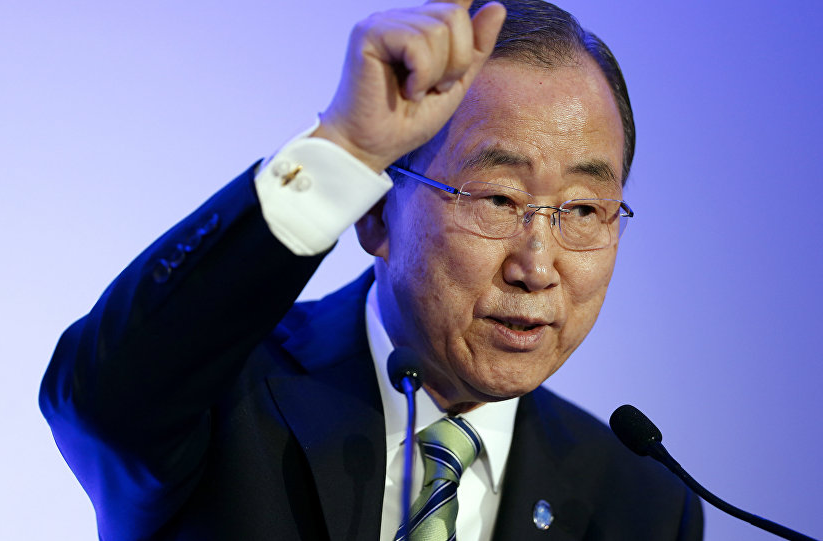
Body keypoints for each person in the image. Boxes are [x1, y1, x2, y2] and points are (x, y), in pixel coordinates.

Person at [40, 0, 703, 539]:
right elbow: (100, 400)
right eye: (499, 199)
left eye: (585, 209)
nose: (536, 265)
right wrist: (345, 148)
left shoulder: (641, 504)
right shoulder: (223, 396)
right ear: (377, 213)